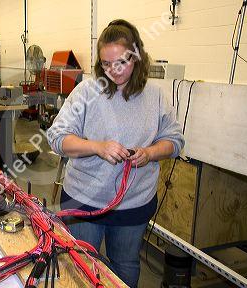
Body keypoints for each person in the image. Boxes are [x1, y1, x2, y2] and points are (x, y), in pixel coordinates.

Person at [47, 19, 185, 287]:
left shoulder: (155, 96)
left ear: (137, 57)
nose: (114, 71)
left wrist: (150, 152)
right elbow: (56, 137)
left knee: (125, 265)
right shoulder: (87, 92)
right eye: (106, 64)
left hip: (134, 203)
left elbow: (175, 140)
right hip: (84, 199)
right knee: (81, 265)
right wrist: (97, 147)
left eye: (121, 62)